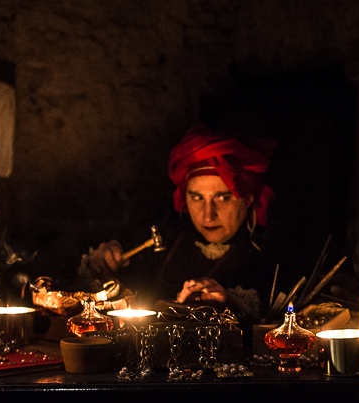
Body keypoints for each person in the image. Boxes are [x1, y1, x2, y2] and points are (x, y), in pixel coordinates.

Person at [81, 124, 277, 319]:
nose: (208, 216)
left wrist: (231, 302)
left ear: (248, 198)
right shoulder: (166, 236)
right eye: (197, 198)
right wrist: (101, 266)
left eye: (223, 198)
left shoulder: (270, 253)